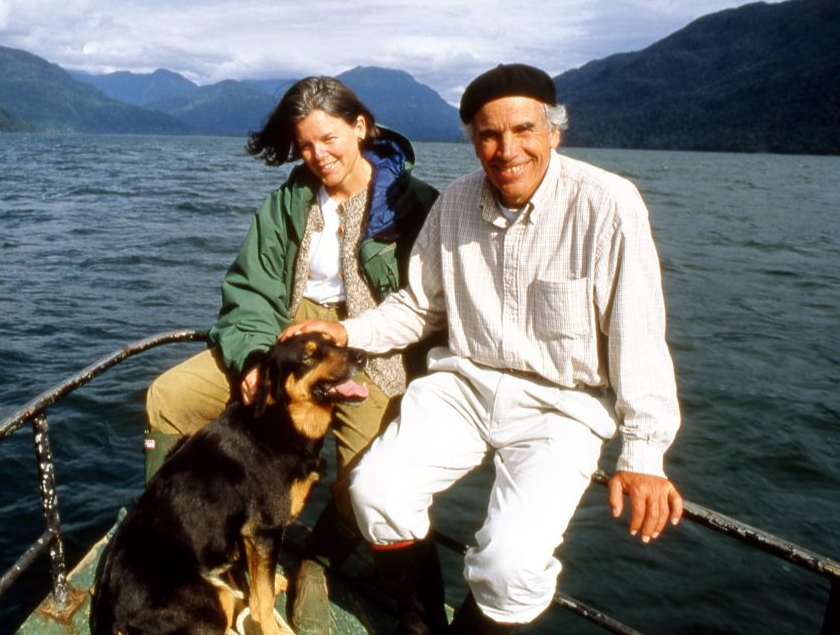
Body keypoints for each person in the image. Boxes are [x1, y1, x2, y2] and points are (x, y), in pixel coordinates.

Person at [283, 63, 683, 634]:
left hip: (561, 406)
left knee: (509, 563)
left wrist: (644, 456)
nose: (506, 150)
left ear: (554, 132)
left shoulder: (608, 205)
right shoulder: (454, 204)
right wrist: (348, 333)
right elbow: (419, 307)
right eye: (488, 135)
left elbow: (638, 335)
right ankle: (420, 621)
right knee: (375, 492)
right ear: (473, 140)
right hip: (463, 385)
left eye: (523, 130)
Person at [144, 75, 439, 633]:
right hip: (281, 341)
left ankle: (316, 562)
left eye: (328, 138)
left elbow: (427, 307)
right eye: (305, 144)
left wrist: (361, 339)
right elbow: (251, 290)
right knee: (169, 398)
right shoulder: (287, 204)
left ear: (362, 126)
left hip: (370, 348)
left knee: (367, 477)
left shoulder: (415, 205)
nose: (317, 155)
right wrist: (255, 356)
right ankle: (176, 551)